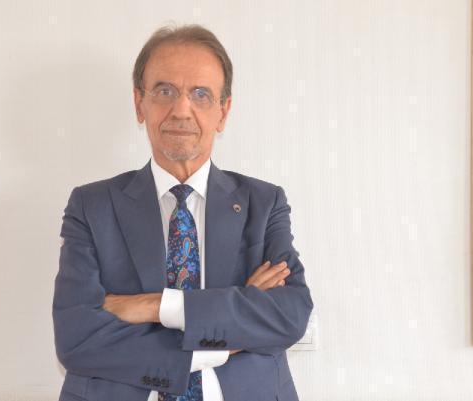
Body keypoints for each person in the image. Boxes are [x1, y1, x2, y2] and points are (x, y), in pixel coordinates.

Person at [52, 24, 313, 401]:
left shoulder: (263, 203)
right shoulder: (92, 206)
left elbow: (289, 315)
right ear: (139, 103)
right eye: (165, 91)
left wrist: (157, 306)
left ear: (223, 112)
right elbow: (76, 337)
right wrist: (225, 333)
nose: (181, 110)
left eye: (201, 94)